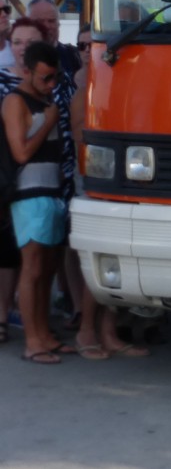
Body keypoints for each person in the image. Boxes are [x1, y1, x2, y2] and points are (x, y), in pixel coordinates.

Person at [69, 26, 148, 359]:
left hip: (119, 183)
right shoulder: (81, 92)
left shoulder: (117, 84)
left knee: (118, 260)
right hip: (96, 182)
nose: (92, 51)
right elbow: (80, 146)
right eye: (84, 45)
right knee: (98, 262)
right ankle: (87, 330)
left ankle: (108, 331)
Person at [4, 41, 73, 364]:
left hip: (51, 192)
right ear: (28, 71)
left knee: (46, 269)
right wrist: (46, 122)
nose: (51, 84)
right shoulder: (15, 102)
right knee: (31, 269)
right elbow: (20, 152)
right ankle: (32, 342)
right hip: (28, 194)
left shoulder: (45, 99)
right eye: (45, 78)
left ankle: (44, 333)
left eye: (55, 77)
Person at [26, 0, 80, 81]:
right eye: (39, 21)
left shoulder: (74, 56)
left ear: (58, 23)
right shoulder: (18, 55)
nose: (46, 26)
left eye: (51, 21)